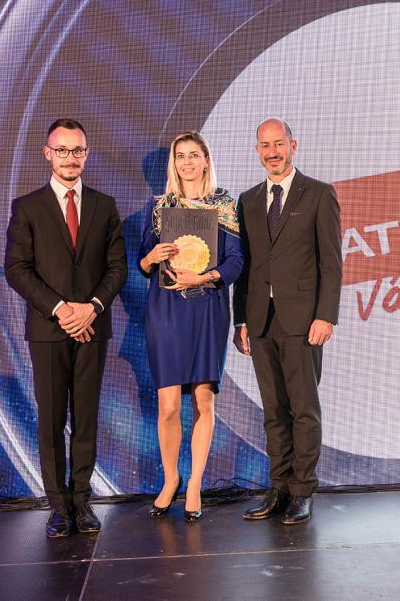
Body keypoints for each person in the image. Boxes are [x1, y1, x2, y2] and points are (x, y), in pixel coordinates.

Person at [5, 118, 127, 538]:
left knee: (86, 418)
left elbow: (117, 268)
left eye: (77, 150)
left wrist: (91, 308)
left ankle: (82, 502)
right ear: (48, 153)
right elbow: (17, 269)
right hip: (49, 329)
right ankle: (58, 506)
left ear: (86, 154)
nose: (70, 158)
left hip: (93, 327)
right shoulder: (28, 207)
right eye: (62, 150)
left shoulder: (104, 206)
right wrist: (61, 310)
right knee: (53, 420)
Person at [234, 117, 342, 525]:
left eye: (279, 144)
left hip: (303, 321)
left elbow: (331, 262)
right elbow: (245, 266)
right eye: (265, 145)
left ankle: (302, 491)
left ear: (293, 146)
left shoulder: (318, 193)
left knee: (303, 410)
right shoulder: (247, 200)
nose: (272, 152)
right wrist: (240, 321)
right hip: (260, 321)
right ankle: (278, 488)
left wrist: (325, 315)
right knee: (273, 410)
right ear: (257, 151)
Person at [139, 131, 244, 522]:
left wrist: (204, 278)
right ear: (174, 163)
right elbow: (142, 263)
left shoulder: (224, 205)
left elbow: (236, 261)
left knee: (203, 400)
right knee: (168, 405)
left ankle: (196, 484)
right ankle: (171, 479)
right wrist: (152, 256)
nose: (187, 162)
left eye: (194, 155)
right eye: (180, 156)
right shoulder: (160, 208)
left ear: (206, 160)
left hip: (207, 308)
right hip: (166, 310)